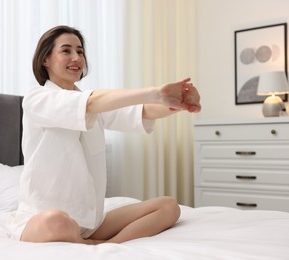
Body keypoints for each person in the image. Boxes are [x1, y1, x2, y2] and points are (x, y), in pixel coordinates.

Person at [11, 25, 201, 244]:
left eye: (80, 52)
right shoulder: (37, 99)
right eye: (66, 51)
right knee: (57, 220)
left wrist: (180, 104)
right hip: (41, 220)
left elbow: (143, 112)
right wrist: (156, 92)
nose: (76, 57)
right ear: (46, 59)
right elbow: (90, 103)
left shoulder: (93, 104)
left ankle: (106, 246)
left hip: (89, 224)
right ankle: (88, 244)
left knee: (168, 207)